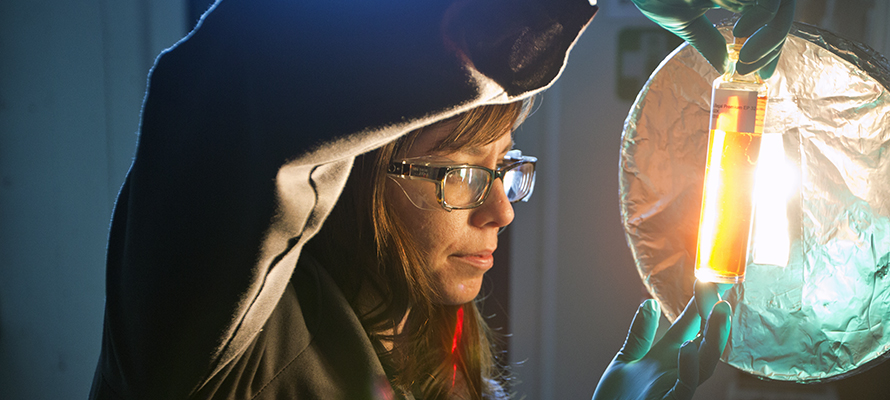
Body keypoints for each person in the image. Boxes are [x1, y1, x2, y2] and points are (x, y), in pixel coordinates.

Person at [88, 0, 794, 399]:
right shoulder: (207, 341)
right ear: (348, 167)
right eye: (461, 174)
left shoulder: (446, 362)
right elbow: (236, 76)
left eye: (505, 168)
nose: (503, 212)